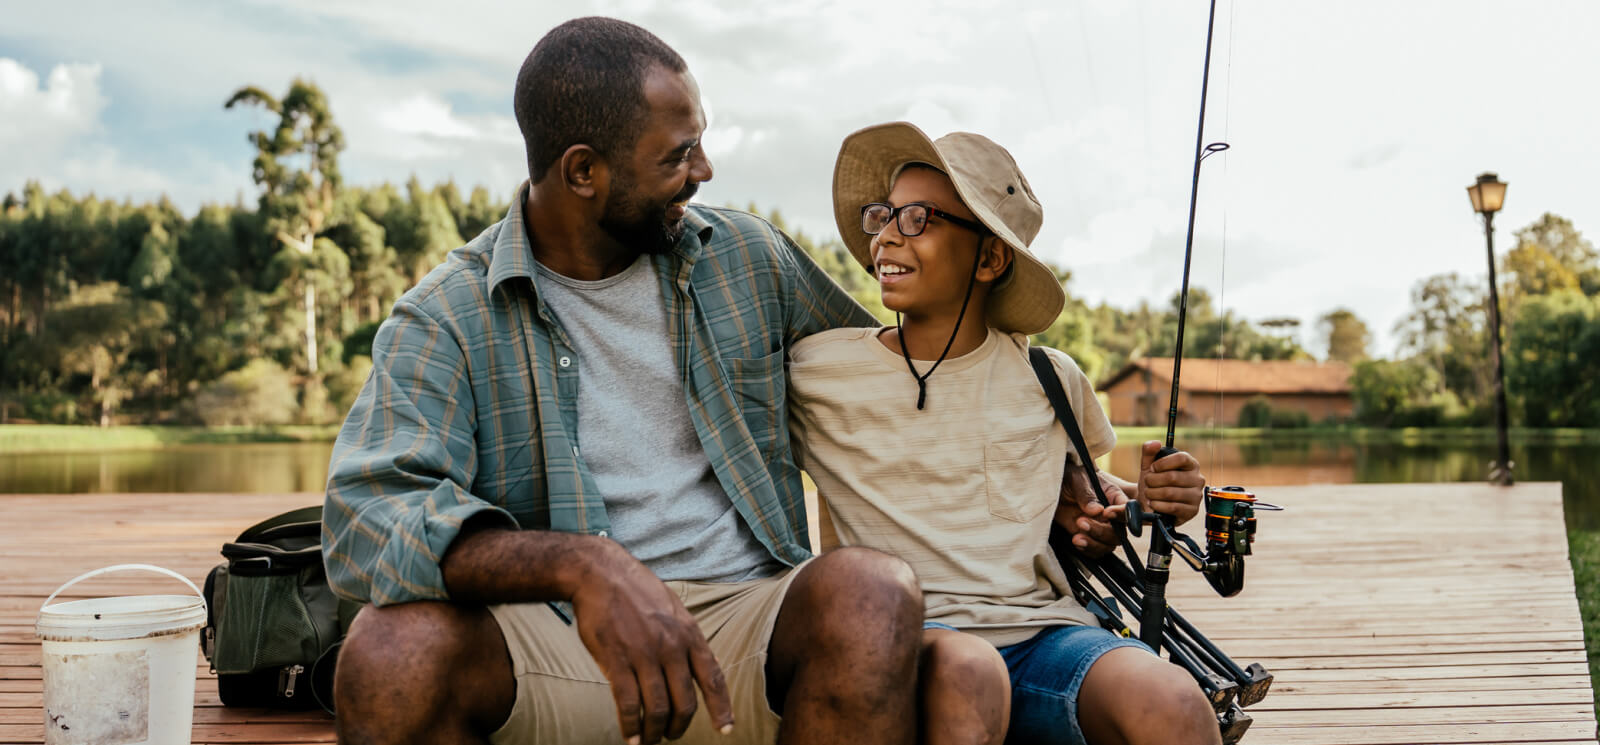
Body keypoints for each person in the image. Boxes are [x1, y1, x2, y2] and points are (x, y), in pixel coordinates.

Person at [321, 19, 929, 745]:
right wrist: (581, 564)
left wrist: (1058, 467)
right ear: (583, 172)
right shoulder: (446, 316)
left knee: (873, 595)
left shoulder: (749, 258)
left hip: (748, 629)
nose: (703, 170)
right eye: (678, 155)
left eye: (699, 141)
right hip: (562, 645)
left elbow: (910, 371)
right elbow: (366, 519)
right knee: (391, 653)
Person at [786, 122, 1221, 745]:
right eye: (883, 215)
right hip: (907, 643)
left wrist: (1160, 498)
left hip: (1047, 635)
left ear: (990, 257)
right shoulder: (817, 369)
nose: (884, 236)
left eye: (918, 219)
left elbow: (1090, 491)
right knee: (969, 672)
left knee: (1174, 700)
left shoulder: (1051, 378)